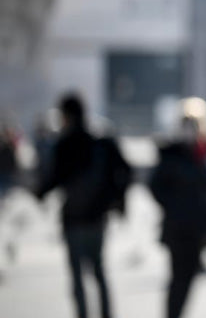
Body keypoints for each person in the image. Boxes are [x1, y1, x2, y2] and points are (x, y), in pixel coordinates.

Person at [35, 93, 130, 318]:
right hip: (97, 218)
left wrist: (37, 193)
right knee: (98, 272)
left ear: (66, 115)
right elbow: (125, 171)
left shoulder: (65, 145)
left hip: (74, 219)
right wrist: (117, 201)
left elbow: (53, 178)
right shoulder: (101, 143)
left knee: (78, 278)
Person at [148, 97, 206, 318]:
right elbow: (155, 186)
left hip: (198, 228)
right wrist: (173, 206)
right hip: (177, 227)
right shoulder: (171, 154)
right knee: (178, 277)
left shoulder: (202, 154)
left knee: (189, 277)